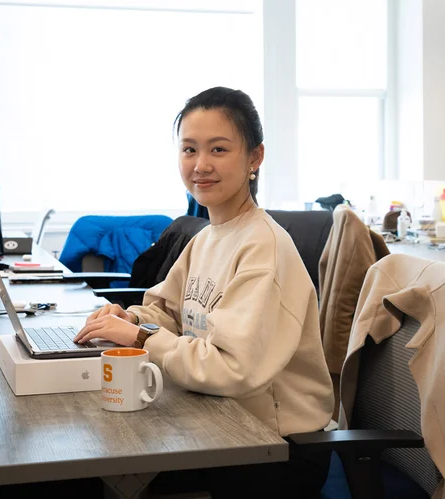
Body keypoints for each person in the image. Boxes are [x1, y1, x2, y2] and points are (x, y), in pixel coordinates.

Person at [74, 87, 333, 497]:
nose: (201, 165)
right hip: (219, 419)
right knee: (86, 449)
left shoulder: (262, 247)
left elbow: (229, 368)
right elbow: (168, 311)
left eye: (218, 149)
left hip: (272, 448)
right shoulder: (209, 236)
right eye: (189, 150)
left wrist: (141, 339)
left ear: (255, 158)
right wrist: (132, 319)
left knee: (86, 471)